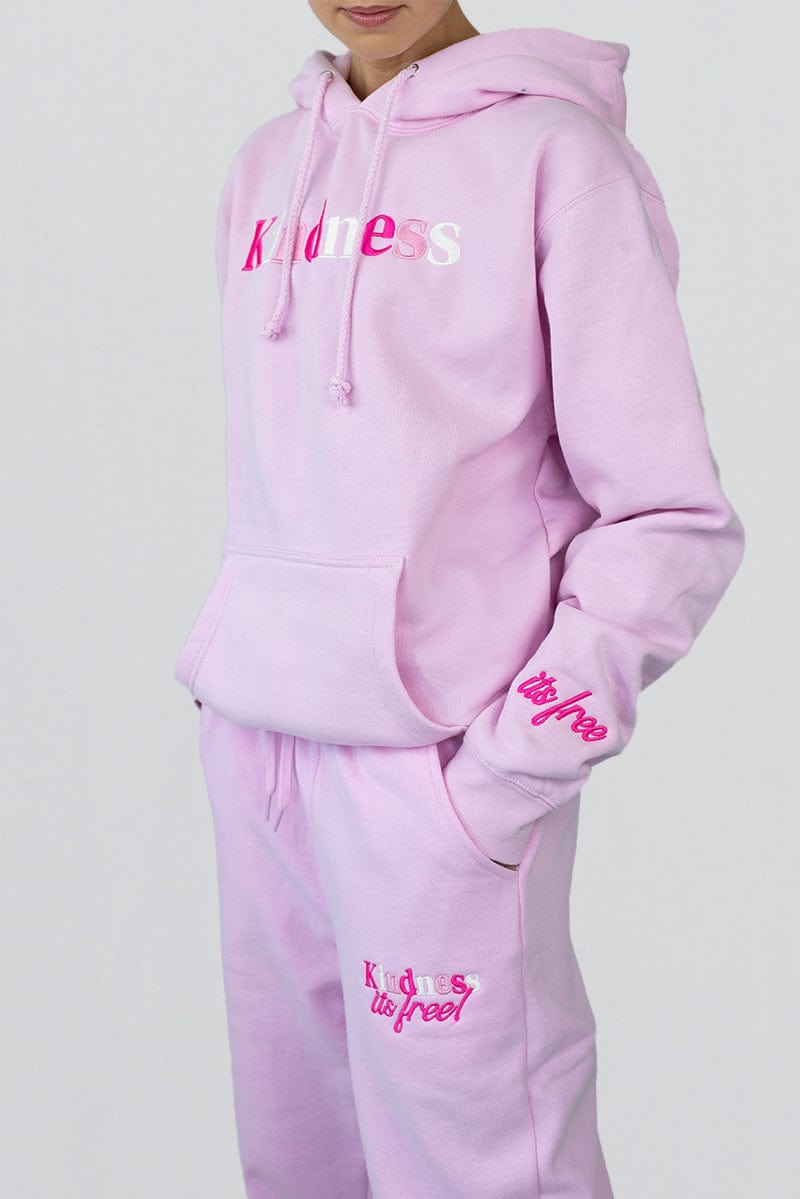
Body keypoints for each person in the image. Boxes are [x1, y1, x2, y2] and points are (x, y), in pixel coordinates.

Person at [174, 3, 746, 1195]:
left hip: (435, 765)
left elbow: (667, 515)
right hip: (261, 746)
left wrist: (508, 765)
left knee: (481, 1173)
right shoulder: (265, 166)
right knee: (297, 1163)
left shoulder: (558, 158)